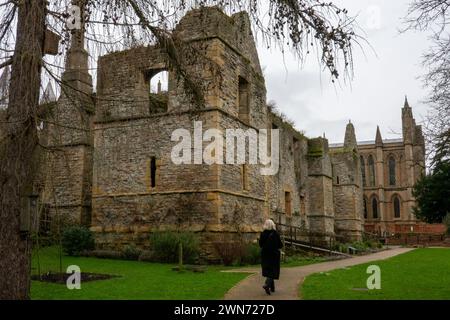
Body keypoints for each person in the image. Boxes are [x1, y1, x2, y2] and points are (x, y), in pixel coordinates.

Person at [259, 219, 283, 295]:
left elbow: (260, 244)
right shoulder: (275, 234)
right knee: (273, 271)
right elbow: (280, 245)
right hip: (274, 254)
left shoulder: (263, 234)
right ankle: (267, 285)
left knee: (268, 270)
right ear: (273, 225)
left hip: (265, 254)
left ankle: (272, 288)